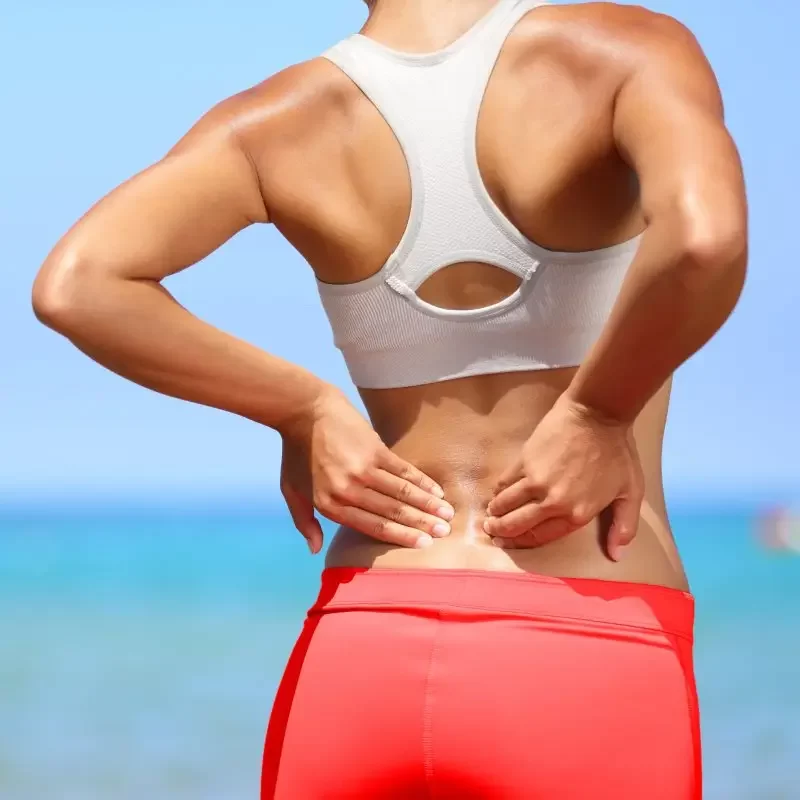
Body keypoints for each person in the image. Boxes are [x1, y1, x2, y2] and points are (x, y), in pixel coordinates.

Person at [32, 0, 747, 796]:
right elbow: (704, 239)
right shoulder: (622, 51)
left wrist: (301, 408)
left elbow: (78, 284)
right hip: (583, 640)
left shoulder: (278, 118)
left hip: (361, 651)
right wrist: (597, 412)